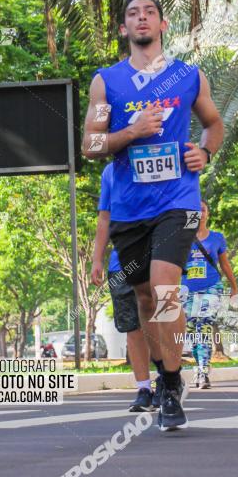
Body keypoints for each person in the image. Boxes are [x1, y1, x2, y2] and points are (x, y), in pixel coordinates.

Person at [82, 0, 224, 431]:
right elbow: (90, 144)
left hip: (178, 201)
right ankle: (164, 376)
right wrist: (131, 131)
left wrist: (206, 151)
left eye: (150, 13)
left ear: (163, 25)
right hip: (129, 208)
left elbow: (214, 123)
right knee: (145, 296)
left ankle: (173, 379)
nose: (141, 19)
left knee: (165, 288)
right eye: (132, 14)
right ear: (124, 28)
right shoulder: (106, 83)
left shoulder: (188, 77)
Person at [92, 161, 165, 412]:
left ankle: (167, 379)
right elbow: (105, 217)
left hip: (159, 257)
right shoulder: (110, 172)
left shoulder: (159, 159)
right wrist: (97, 259)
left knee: (161, 320)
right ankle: (144, 388)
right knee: (132, 327)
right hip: (121, 262)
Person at [181, 199, 238, 388]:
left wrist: (233, 286)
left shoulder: (217, 238)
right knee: (191, 329)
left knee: (204, 325)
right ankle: (199, 367)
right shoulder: (182, 237)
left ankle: (204, 371)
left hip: (212, 287)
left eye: (203, 210)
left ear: (208, 214)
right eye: (195, 210)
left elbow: (225, 264)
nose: (199, 213)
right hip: (187, 289)